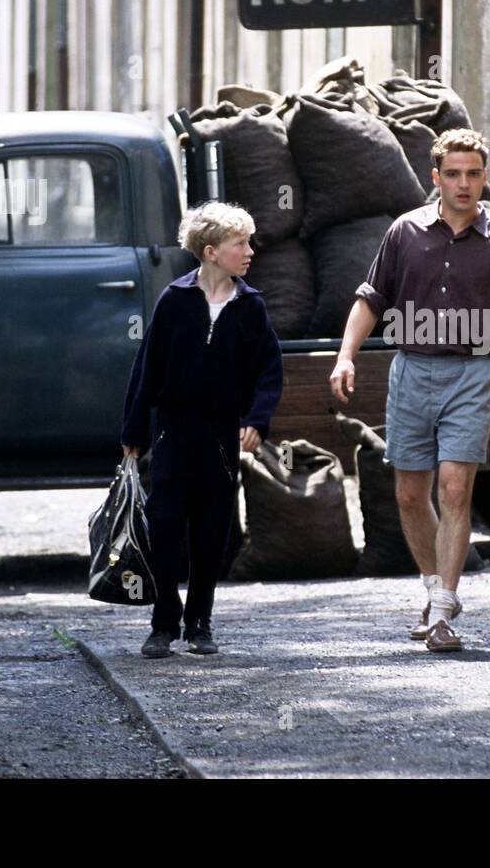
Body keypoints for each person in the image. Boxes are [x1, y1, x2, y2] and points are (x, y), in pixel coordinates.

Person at [330, 128, 490, 653]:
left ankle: (445, 607)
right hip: (411, 371)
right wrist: (345, 356)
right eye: (453, 174)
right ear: (436, 178)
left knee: (453, 489)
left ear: (485, 178)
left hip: (471, 376)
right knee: (408, 493)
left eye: (473, 174)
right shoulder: (405, 232)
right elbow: (371, 299)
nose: (463, 184)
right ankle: (431, 588)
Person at [121, 202, 283, 658]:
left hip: (220, 434)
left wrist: (256, 419)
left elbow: (269, 369)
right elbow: (146, 368)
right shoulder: (174, 300)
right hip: (173, 430)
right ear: (211, 252)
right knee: (165, 524)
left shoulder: (250, 306)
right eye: (240, 244)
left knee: (213, 530)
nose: (249, 251)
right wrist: (133, 429)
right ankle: (162, 622)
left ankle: (200, 623)